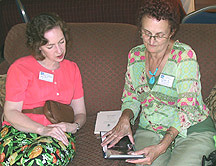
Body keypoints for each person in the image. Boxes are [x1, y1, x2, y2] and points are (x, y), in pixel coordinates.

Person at [101, 0, 216, 165]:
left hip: (192, 130)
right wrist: (125, 118)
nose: (152, 41)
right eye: (146, 33)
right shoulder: (135, 56)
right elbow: (131, 97)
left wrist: (162, 147)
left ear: (171, 32)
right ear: (140, 29)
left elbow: (187, 108)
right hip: (151, 130)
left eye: (159, 35)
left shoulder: (184, 56)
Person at [0, 13, 86, 165]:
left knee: (40, 159)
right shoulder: (20, 68)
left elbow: (80, 113)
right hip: (19, 130)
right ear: (39, 46)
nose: (59, 50)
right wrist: (41, 129)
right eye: (50, 46)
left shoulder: (72, 69)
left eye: (61, 42)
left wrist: (74, 126)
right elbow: (11, 111)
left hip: (56, 134)